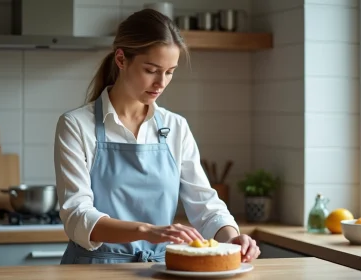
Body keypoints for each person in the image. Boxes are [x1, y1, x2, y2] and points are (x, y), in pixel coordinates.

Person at [54, 8, 260, 265]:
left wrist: (231, 239)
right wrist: (148, 231)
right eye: (151, 70)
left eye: (170, 71)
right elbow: (77, 215)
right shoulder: (76, 125)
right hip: (94, 270)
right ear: (121, 59)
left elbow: (206, 207)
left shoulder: (176, 127)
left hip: (160, 269)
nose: (161, 82)